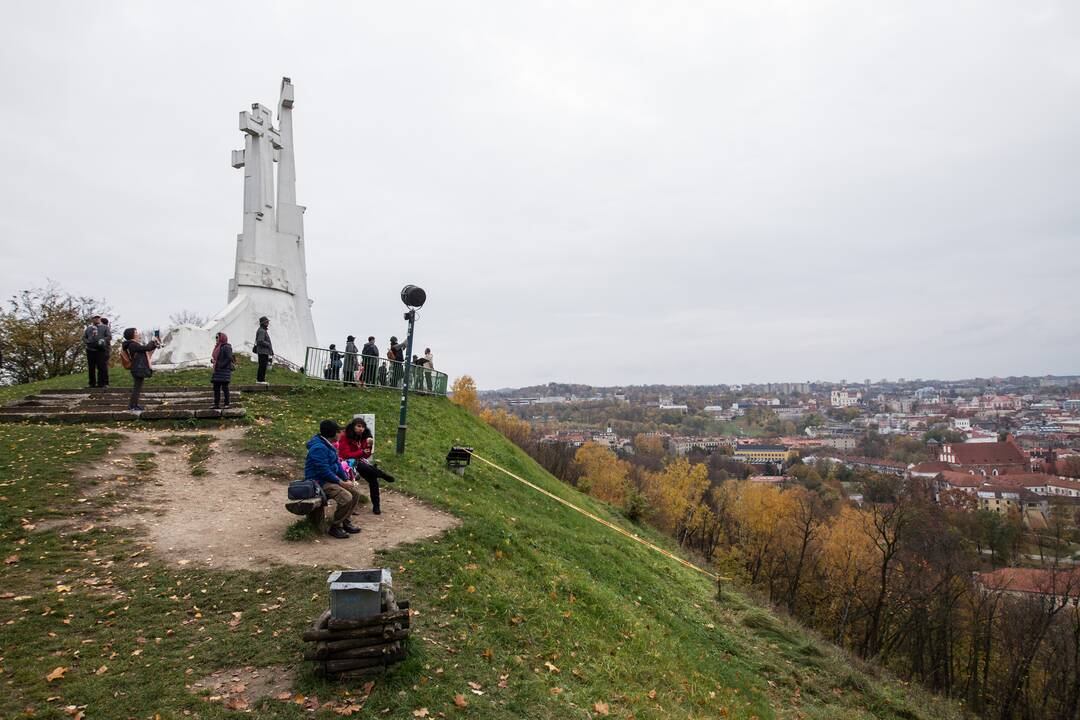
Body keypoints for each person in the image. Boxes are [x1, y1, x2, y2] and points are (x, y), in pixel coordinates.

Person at [304, 420, 361, 539]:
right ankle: (335, 526)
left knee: (355, 493)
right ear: (332, 433)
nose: (341, 434)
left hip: (329, 480)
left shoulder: (328, 445)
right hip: (318, 482)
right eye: (338, 432)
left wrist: (346, 479)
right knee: (346, 497)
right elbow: (323, 471)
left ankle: (345, 521)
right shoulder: (319, 447)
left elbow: (338, 465)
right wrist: (340, 483)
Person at [336, 418, 395, 515]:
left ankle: (376, 506)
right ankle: (382, 474)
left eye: (363, 427)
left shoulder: (364, 437)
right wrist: (361, 452)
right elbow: (345, 454)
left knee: (373, 478)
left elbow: (366, 455)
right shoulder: (345, 436)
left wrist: (369, 446)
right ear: (353, 426)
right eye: (358, 426)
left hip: (359, 461)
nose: (361, 429)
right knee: (362, 466)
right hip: (346, 463)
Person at [121, 328, 160, 412]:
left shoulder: (132, 344)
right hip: (137, 368)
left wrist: (154, 344)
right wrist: (153, 341)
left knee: (137, 387)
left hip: (137, 368)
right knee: (137, 387)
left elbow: (147, 348)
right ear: (132, 334)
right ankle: (132, 406)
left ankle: (134, 405)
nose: (138, 334)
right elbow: (146, 348)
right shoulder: (132, 344)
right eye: (136, 332)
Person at [210, 332, 234, 409]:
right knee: (216, 387)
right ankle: (216, 404)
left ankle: (227, 404)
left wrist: (221, 365)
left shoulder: (226, 347)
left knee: (225, 387)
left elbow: (229, 358)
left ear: (222, 338)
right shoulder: (218, 347)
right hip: (217, 370)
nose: (216, 339)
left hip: (224, 371)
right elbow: (219, 358)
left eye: (217, 337)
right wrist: (214, 361)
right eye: (216, 337)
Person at [84, 315, 102, 388]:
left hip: (100, 350)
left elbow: (108, 336)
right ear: (92, 320)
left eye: (98, 318)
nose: (97, 319)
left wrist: (102, 341)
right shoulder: (88, 329)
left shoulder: (104, 327)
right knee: (91, 367)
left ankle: (101, 383)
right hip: (90, 349)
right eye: (95, 318)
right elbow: (84, 337)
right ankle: (92, 383)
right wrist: (88, 341)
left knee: (101, 367)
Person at [254, 316, 273, 383]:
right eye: (267, 322)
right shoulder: (262, 331)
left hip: (263, 351)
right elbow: (260, 341)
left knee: (263, 365)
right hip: (263, 351)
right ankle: (260, 380)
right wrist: (267, 344)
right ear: (263, 323)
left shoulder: (262, 330)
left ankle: (260, 379)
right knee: (262, 365)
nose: (268, 323)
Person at [96, 318, 112, 388]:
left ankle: (105, 383)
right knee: (100, 367)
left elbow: (109, 338)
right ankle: (100, 383)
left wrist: (101, 340)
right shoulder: (101, 329)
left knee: (103, 366)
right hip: (100, 350)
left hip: (105, 350)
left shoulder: (106, 328)